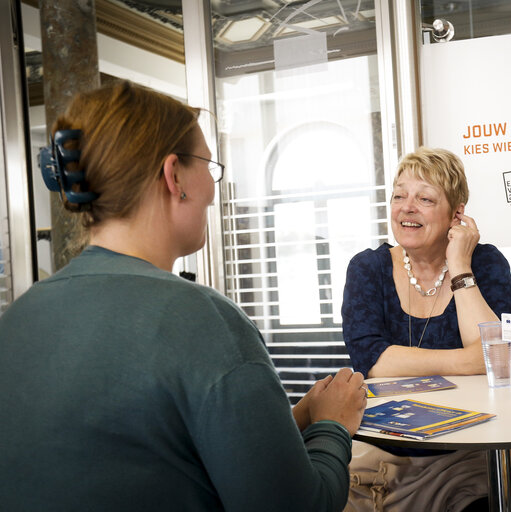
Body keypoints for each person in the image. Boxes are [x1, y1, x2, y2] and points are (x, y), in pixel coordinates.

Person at [0, 80, 367, 512]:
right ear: (174, 175)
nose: (213, 188)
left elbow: (150, 462)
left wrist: (296, 420)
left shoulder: (16, 320)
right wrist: (333, 427)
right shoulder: (209, 323)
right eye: (208, 168)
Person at [341, 147, 511, 512]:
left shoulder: (485, 263)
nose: (407, 207)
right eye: (399, 195)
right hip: (386, 450)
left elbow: (496, 358)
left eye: (424, 198)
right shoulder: (367, 268)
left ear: (457, 214)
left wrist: (460, 267)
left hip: (472, 446)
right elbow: (371, 360)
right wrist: (471, 360)